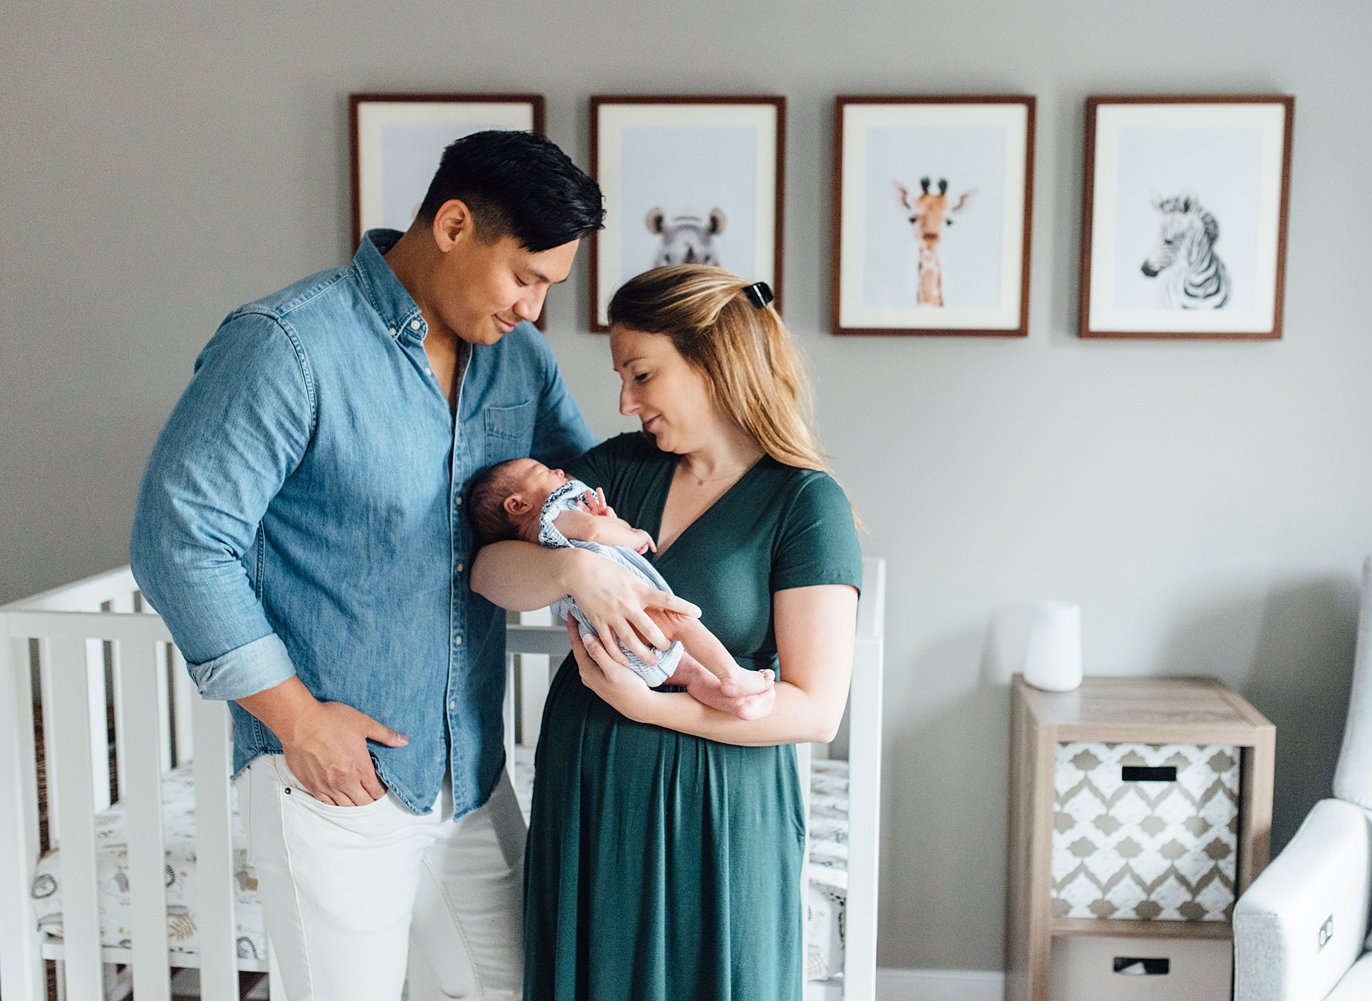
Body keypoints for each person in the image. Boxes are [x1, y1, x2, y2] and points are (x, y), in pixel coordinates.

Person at [130, 130, 693, 1001]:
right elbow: (181, 537)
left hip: (471, 771)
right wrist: (299, 721)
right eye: (525, 277)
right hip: (333, 777)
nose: (534, 310)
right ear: (455, 224)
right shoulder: (288, 346)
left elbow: (585, 494)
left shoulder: (520, 361)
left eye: (551, 286)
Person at [470, 265, 862, 1000]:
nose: (625, 400)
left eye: (642, 374)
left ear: (712, 361)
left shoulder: (804, 502)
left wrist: (649, 707)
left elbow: (815, 708)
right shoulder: (612, 473)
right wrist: (573, 576)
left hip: (720, 808)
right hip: (591, 793)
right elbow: (489, 570)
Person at [466, 457, 778, 719]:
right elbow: (592, 530)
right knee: (682, 623)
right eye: (544, 472)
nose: (558, 472)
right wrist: (632, 534)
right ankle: (732, 676)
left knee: (692, 673)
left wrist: (607, 520)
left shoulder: (542, 546)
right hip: (630, 615)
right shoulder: (553, 515)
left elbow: (593, 530)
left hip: (615, 641)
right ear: (518, 504)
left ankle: (735, 703)